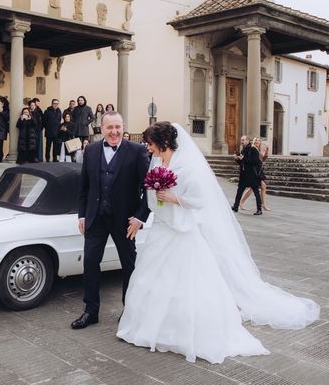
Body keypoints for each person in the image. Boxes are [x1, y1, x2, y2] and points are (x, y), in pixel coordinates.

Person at [117, 122, 320, 363]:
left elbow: (200, 200)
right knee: (151, 279)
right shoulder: (158, 163)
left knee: (187, 282)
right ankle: (149, 327)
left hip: (182, 232)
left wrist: (173, 198)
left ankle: (184, 330)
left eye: (150, 144)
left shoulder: (187, 165)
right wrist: (157, 200)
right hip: (162, 229)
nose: (147, 148)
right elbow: (149, 195)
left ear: (162, 143)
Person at [71, 111, 150, 330]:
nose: (114, 132)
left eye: (118, 127)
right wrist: (82, 214)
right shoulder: (92, 150)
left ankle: (130, 310)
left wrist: (140, 218)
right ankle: (90, 311)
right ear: (101, 128)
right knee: (90, 263)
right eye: (109, 128)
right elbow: (84, 187)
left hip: (125, 220)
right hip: (96, 216)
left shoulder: (137, 151)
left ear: (123, 127)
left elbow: (149, 190)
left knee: (129, 265)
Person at [232, 135, 262, 215]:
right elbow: (242, 163)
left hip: (252, 175)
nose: (241, 141)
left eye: (243, 140)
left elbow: (255, 162)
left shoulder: (253, 150)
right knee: (239, 191)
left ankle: (259, 209)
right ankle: (235, 206)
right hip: (244, 175)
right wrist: (237, 159)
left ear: (248, 141)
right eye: (241, 140)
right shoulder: (243, 150)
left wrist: (243, 159)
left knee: (256, 192)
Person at [240, 137, 270, 211]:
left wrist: (266, 153)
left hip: (258, 170)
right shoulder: (253, 149)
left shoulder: (257, 149)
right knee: (255, 188)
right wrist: (263, 152)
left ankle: (262, 204)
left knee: (260, 187)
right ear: (253, 142)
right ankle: (241, 202)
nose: (257, 142)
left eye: (259, 140)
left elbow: (262, 159)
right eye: (256, 140)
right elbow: (258, 159)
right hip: (254, 171)